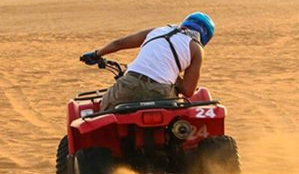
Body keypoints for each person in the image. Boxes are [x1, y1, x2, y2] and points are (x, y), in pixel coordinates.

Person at [80, 12, 215, 111]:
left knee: (104, 112)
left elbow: (119, 43)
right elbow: (188, 90)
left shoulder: (158, 30)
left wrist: (96, 54)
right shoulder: (196, 49)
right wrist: (172, 73)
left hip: (128, 87)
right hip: (162, 94)